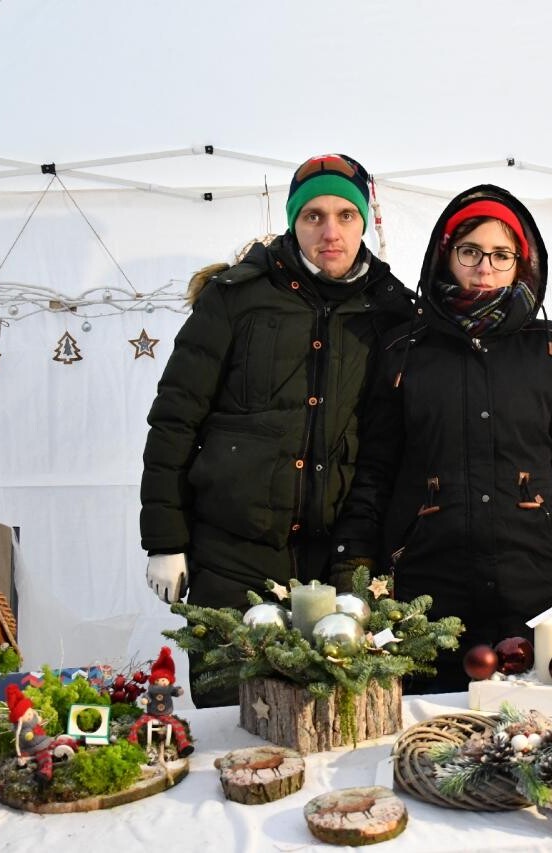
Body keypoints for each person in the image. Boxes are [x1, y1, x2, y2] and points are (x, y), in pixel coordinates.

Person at [139, 154, 415, 706]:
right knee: (231, 722)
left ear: (364, 222)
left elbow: (453, 376)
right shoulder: (235, 297)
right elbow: (175, 418)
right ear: (293, 222)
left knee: (333, 724)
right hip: (232, 556)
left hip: (338, 561)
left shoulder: (392, 311)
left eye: (345, 215)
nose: (330, 232)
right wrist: (165, 539)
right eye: (313, 216)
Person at [330, 185, 552, 693]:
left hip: (532, 585)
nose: (485, 267)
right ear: (446, 255)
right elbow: (373, 470)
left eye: (501, 255)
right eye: (470, 251)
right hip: (426, 590)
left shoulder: (549, 350)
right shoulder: (404, 349)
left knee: (536, 729)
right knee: (426, 729)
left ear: (521, 263)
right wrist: (354, 564)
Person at [126, 647, 194, 756]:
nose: (160, 682)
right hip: (151, 714)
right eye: (157, 680)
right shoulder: (151, 690)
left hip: (166, 715)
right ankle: (132, 743)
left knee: (178, 726)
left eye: (163, 680)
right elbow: (147, 696)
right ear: (154, 681)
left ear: (169, 680)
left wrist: (179, 691)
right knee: (136, 725)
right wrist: (145, 700)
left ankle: (183, 746)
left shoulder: (169, 689)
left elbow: (176, 691)